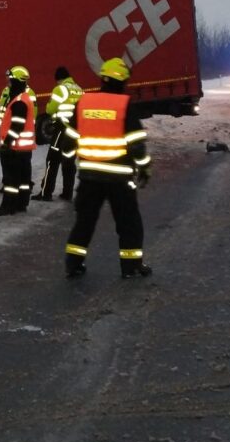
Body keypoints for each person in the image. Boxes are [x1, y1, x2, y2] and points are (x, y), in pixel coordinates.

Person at [62, 56, 152, 279]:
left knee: (84, 222)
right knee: (128, 223)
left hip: (89, 176)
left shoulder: (84, 102)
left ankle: (73, 263)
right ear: (123, 81)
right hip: (119, 178)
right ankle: (131, 267)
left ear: (103, 78)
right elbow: (136, 143)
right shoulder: (124, 104)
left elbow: (69, 139)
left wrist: (68, 158)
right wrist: (144, 168)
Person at [0, 66, 37, 216]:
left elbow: (17, 125)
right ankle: (21, 204)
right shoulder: (23, 98)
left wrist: (7, 143)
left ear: (16, 81)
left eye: (10, 80)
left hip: (15, 148)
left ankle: (8, 206)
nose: (8, 83)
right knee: (23, 178)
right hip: (23, 148)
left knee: (11, 180)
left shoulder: (18, 101)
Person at [34, 65, 84, 202]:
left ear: (59, 79)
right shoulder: (79, 89)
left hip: (62, 129)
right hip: (75, 130)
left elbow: (50, 110)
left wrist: (51, 107)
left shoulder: (60, 89)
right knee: (69, 161)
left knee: (52, 160)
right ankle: (67, 193)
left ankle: (46, 193)